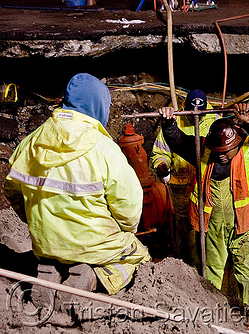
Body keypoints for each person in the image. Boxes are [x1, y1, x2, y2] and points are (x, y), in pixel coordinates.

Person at [4, 73, 151, 299]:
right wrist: (124, 231)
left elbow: (12, 188)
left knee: (55, 251)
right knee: (138, 255)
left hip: (47, 243)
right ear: (98, 106)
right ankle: (95, 276)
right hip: (94, 246)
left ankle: (50, 268)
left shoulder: (32, 141)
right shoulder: (104, 148)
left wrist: (33, 218)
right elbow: (129, 208)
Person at [158, 103, 249, 307]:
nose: (221, 154)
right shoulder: (204, 151)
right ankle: (215, 317)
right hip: (215, 226)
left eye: (227, 150)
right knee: (211, 276)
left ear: (238, 142)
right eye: (217, 150)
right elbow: (178, 141)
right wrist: (168, 122)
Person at [151, 89, 217, 267]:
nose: (195, 116)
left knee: (207, 228)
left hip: (205, 187)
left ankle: (209, 267)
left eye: (200, 113)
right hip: (181, 189)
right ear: (185, 107)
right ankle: (188, 268)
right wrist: (161, 165)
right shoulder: (176, 120)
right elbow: (160, 151)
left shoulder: (214, 121)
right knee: (184, 229)